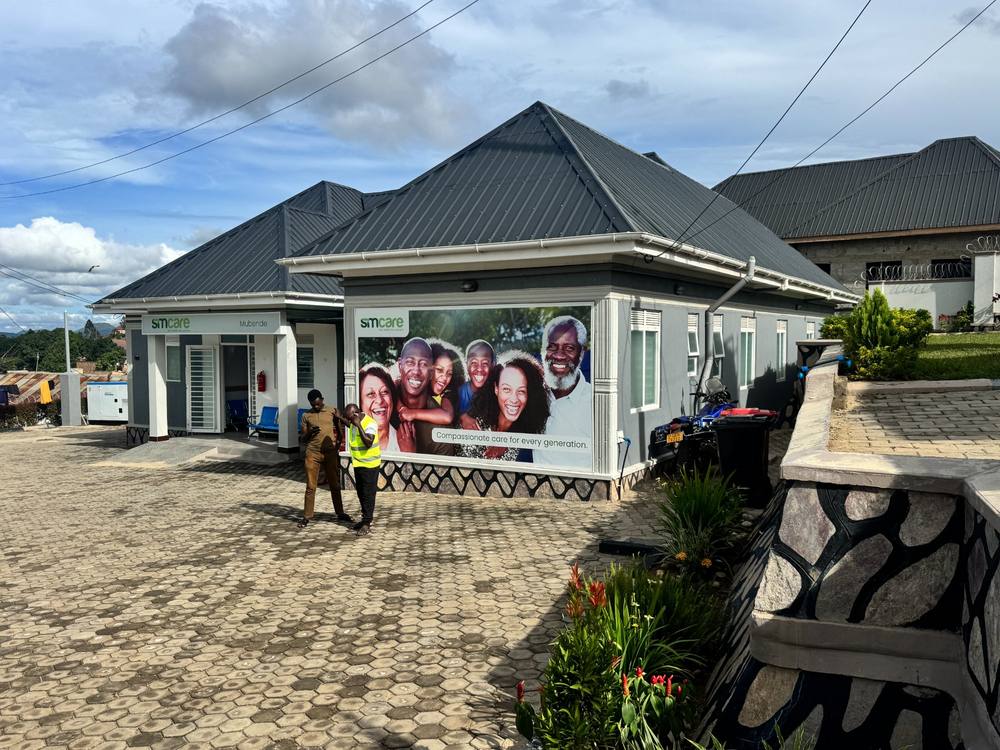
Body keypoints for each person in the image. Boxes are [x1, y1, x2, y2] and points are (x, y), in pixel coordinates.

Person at [458, 353, 549, 461]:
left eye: (521, 391)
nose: (514, 399)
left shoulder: (531, 439)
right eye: (506, 389)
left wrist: (511, 441)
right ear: (496, 388)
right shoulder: (474, 421)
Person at [533, 315, 593, 468]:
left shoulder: (596, 402)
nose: (559, 355)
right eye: (552, 347)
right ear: (542, 350)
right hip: (537, 487)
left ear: (581, 353)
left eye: (569, 348)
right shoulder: (531, 395)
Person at [298, 389, 353, 529]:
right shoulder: (306, 416)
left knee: (334, 484)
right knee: (311, 486)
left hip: (330, 453)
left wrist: (338, 445)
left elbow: (341, 429)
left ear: (322, 399)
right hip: (313, 453)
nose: (316, 406)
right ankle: (307, 516)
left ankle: (340, 513)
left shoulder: (332, 411)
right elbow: (302, 439)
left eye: (318, 403)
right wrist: (309, 432)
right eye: (313, 404)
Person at [394, 337, 454, 456]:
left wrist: (410, 455)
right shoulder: (383, 403)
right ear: (400, 366)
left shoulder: (441, 430)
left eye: (423, 364)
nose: (416, 371)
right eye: (410, 362)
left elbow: (441, 474)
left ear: (431, 373)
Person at [397, 341, 465, 428]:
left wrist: (412, 413)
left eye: (449, 374)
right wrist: (401, 407)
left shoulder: (448, 394)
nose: (444, 378)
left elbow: (447, 416)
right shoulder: (409, 385)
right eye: (439, 370)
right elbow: (394, 385)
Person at [343, 402, 380, 536]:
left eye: (349, 418)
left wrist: (358, 424)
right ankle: (364, 518)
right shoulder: (354, 422)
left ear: (356, 414)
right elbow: (349, 425)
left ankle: (367, 522)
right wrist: (340, 418)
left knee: (368, 494)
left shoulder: (370, 424)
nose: (349, 421)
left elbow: (368, 442)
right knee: (361, 493)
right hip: (359, 464)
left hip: (370, 465)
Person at [359, 363, 400, 451]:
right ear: (360, 402)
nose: (379, 400)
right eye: (370, 394)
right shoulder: (350, 441)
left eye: (384, 392)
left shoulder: (404, 443)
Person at [458, 340, 495, 415]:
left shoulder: (496, 393)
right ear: (466, 365)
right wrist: (461, 417)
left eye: (485, 363)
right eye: (474, 362)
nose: (479, 369)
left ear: (492, 365)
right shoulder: (459, 392)